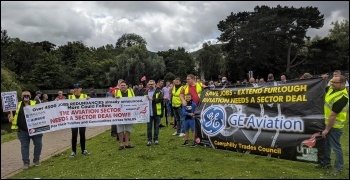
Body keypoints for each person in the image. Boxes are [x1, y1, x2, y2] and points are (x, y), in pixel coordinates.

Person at [316, 75, 348, 176]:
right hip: (326, 123)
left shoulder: (343, 97)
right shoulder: (331, 88)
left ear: (342, 84)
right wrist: (322, 79)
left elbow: (333, 115)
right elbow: (323, 86)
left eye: (334, 82)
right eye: (331, 81)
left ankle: (339, 168)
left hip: (334, 126)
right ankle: (326, 162)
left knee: (336, 147)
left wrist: (326, 129)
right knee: (326, 145)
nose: (332, 84)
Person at [8, 91, 42, 169]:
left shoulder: (35, 103)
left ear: (30, 96)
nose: (26, 96)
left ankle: (36, 160)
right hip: (22, 131)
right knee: (24, 147)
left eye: (27, 95)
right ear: (21, 97)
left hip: (35, 129)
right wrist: (9, 118)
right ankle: (26, 163)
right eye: (24, 95)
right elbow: (10, 115)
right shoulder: (16, 105)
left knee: (38, 145)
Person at [68, 83, 90, 157]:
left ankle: (83, 150)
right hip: (73, 119)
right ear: (73, 89)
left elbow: (89, 106)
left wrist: (89, 100)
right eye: (75, 88)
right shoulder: (70, 97)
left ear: (80, 89)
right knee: (74, 135)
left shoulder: (84, 96)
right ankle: (73, 151)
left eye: (78, 88)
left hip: (82, 119)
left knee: (82, 134)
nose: (76, 90)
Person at [180, 74, 203, 139]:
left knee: (198, 120)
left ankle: (198, 135)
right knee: (188, 119)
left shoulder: (200, 85)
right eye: (187, 79)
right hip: (189, 107)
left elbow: (208, 89)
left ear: (193, 79)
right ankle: (185, 132)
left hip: (198, 106)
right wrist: (183, 100)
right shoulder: (185, 87)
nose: (187, 80)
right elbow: (181, 95)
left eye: (188, 79)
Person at [114, 81, 135, 150]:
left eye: (124, 85)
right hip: (119, 114)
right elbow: (111, 102)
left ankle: (127, 143)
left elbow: (135, 101)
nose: (123, 86)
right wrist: (115, 99)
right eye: (121, 85)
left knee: (128, 129)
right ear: (119, 86)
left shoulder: (131, 92)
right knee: (120, 129)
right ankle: (121, 144)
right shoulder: (116, 92)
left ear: (127, 86)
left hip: (129, 113)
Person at [145, 80, 163, 146]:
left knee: (156, 127)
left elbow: (160, 100)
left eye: (152, 84)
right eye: (149, 84)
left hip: (156, 112)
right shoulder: (145, 92)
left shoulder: (159, 91)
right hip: (148, 113)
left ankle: (156, 139)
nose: (151, 85)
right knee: (149, 127)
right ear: (147, 85)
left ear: (155, 84)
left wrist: (152, 99)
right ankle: (149, 140)